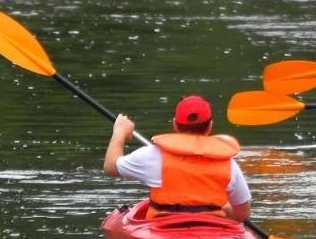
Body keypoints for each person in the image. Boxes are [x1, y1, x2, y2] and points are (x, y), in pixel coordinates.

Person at [103, 95, 252, 221]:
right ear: (210, 126)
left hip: (162, 231)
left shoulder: (152, 155)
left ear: (175, 124)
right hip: (212, 232)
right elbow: (242, 215)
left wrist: (120, 132)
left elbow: (110, 167)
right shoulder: (229, 163)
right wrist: (220, 207)